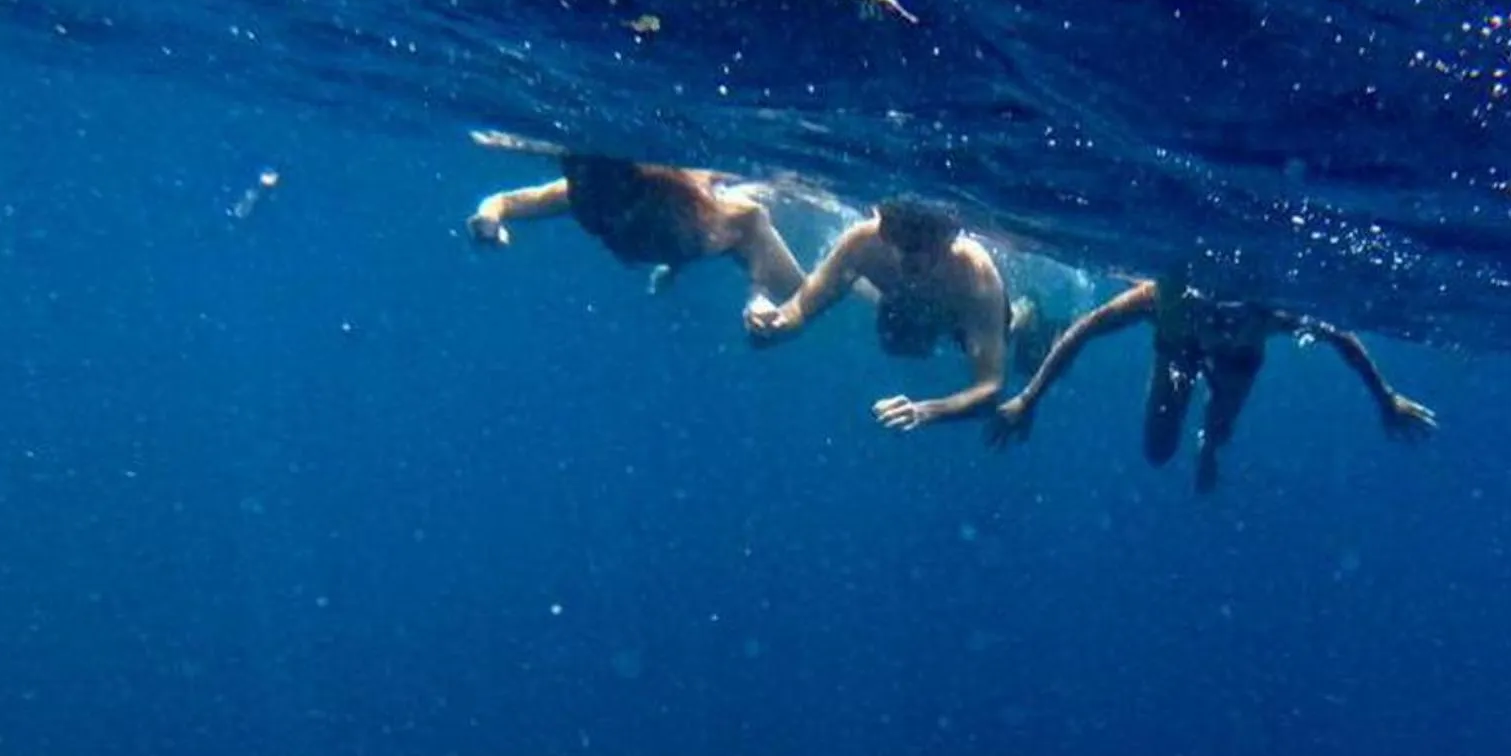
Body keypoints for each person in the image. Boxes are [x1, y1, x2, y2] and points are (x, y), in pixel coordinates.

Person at [987, 273, 1437, 490]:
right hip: (1178, 350)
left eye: (1230, 316)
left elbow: (1343, 340)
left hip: (1238, 362)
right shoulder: (1165, 300)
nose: (1220, 322)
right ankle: (1202, 436)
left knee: (1218, 428)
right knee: (1158, 450)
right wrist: (1028, 398)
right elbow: (1086, 327)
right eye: (1212, 313)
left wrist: (1386, 398)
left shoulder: (1265, 316)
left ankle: (1208, 446)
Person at [744, 199, 1010, 431]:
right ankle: (863, 289)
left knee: (1012, 339)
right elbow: (801, 306)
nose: (906, 258)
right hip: (900, 305)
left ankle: (1024, 314)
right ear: (885, 232)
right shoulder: (862, 242)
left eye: (919, 248)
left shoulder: (975, 274)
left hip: (957, 321)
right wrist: (772, 322)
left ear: (947, 241)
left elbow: (990, 386)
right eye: (898, 243)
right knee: (899, 346)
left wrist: (926, 411)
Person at [466, 139, 804, 311]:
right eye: (573, 173)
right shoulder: (579, 193)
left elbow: (752, 220)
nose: (578, 184)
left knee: (808, 292)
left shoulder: (682, 203)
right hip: (675, 243)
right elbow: (508, 202)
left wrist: (757, 295)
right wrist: (488, 219)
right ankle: (672, 266)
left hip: (709, 236)